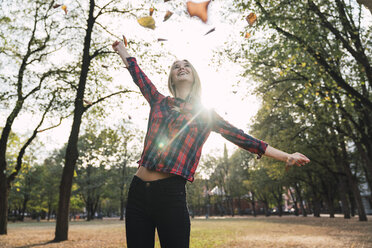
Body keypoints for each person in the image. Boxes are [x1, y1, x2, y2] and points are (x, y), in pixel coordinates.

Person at [112, 40, 310, 248]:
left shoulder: (205, 115)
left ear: (194, 76)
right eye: (176, 66)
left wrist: (287, 156)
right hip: (138, 192)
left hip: (171, 194)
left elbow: (244, 139)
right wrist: (121, 50)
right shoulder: (159, 101)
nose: (181, 67)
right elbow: (138, 75)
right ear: (171, 77)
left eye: (186, 65)